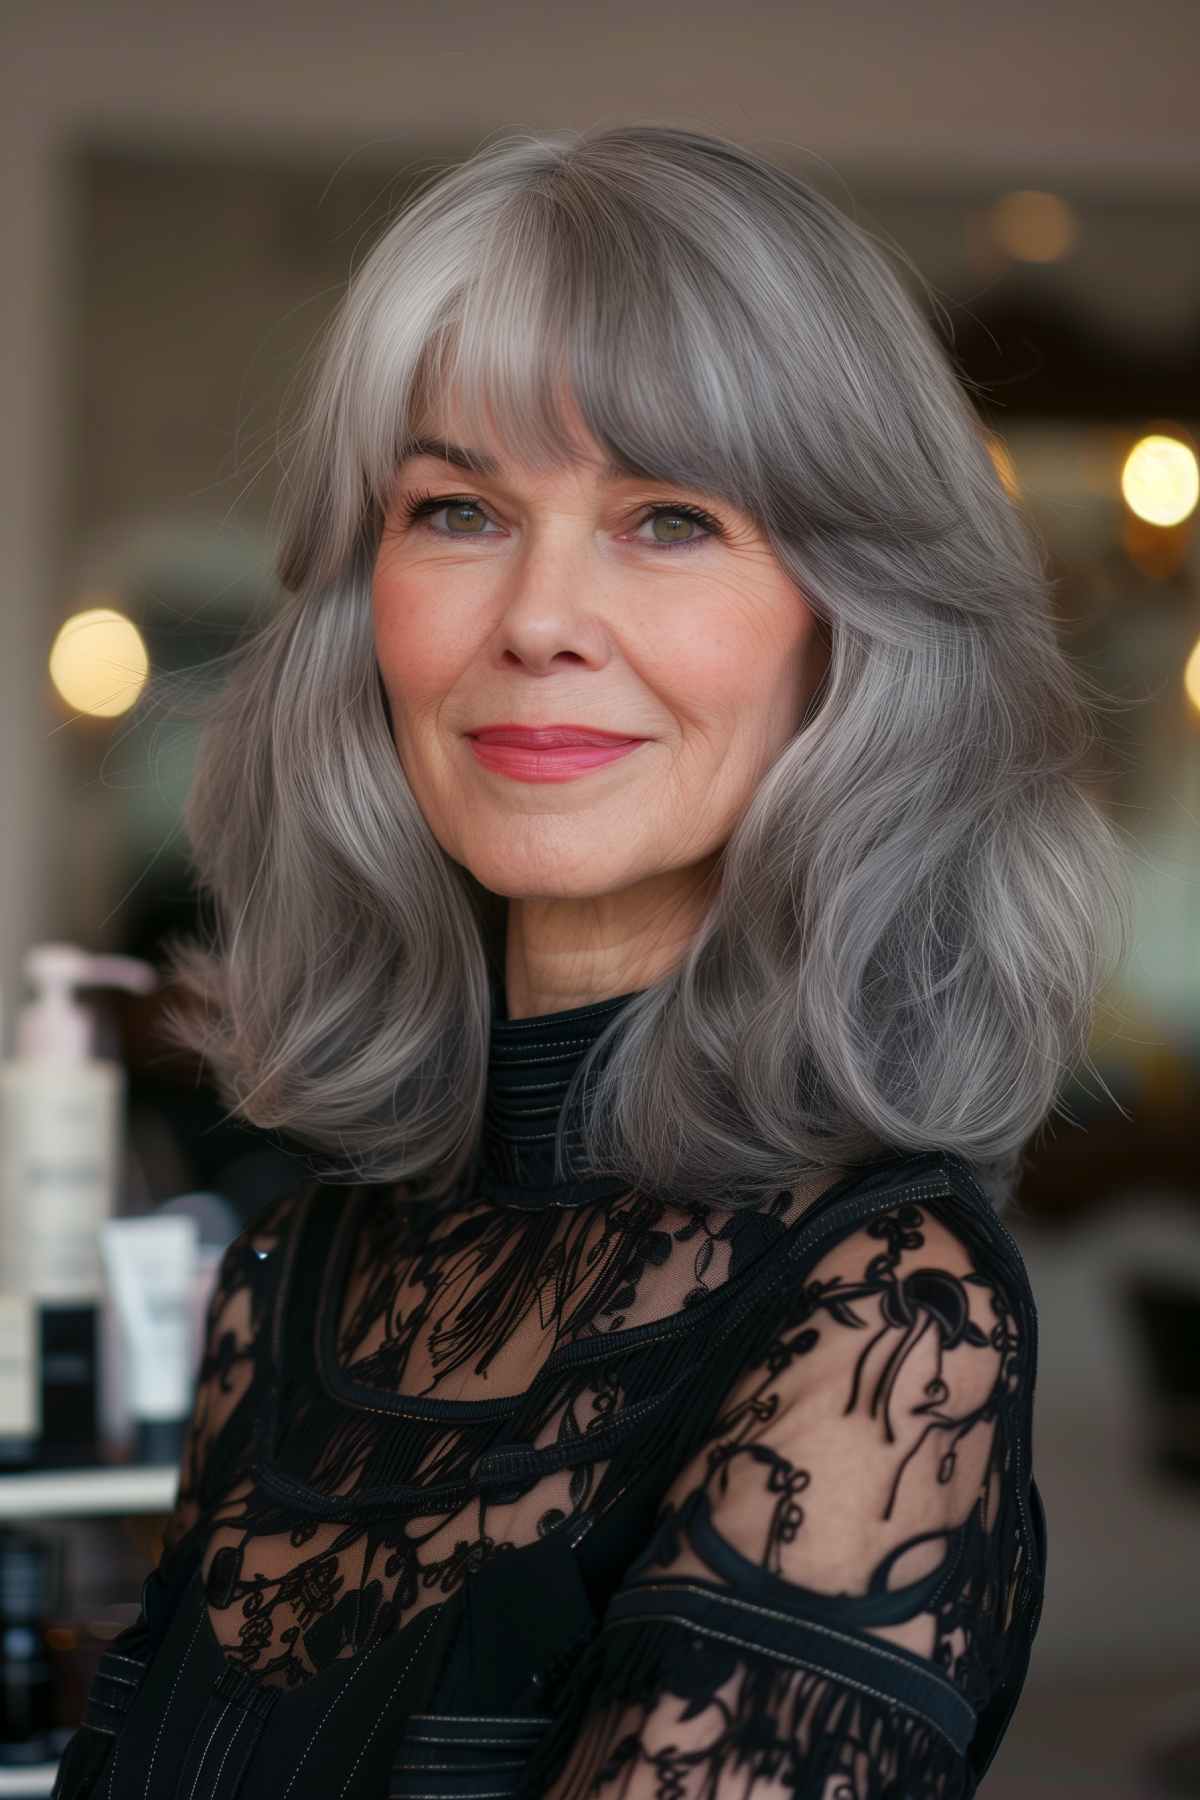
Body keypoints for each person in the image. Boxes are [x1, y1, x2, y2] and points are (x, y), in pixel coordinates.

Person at [54, 122, 1134, 1799]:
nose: (540, 617)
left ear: (858, 629)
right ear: (369, 602)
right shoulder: (299, 1279)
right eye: (460, 507)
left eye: (670, 517)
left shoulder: (884, 1325)